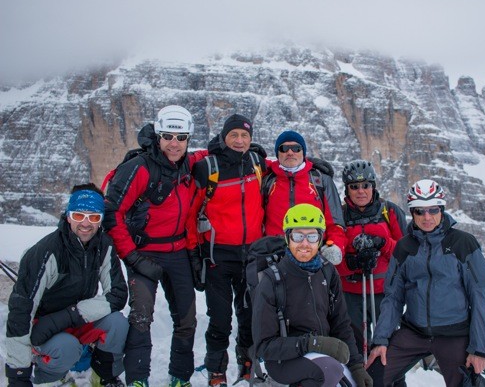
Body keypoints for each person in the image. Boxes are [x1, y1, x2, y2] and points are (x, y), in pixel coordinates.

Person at [103, 105, 207, 387]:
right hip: (144, 252)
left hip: (178, 253)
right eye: (168, 137)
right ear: (158, 136)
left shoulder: (188, 164)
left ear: (188, 139)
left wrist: (241, 151)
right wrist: (132, 257)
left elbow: (210, 152)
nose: (175, 144)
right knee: (141, 317)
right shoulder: (138, 168)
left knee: (186, 319)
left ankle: (179, 377)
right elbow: (111, 212)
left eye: (181, 138)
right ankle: (138, 379)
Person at [365, 179, 485, 387]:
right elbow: (393, 297)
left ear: (441, 209)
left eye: (433, 210)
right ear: (412, 212)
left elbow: (480, 296)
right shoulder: (405, 247)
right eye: (419, 211)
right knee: (370, 378)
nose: (427, 217)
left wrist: (479, 349)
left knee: (470, 384)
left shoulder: (463, 243)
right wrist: (380, 340)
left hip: (454, 333)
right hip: (414, 332)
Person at [5, 183, 129, 387]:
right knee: (67, 347)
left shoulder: (103, 246)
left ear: (100, 220)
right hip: (43, 328)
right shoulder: (46, 252)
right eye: (79, 215)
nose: (86, 223)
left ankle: (103, 375)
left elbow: (117, 293)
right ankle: (50, 378)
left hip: (77, 319)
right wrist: (18, 376)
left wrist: (73, 314)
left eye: (94, 217)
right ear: (69, 216)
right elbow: (21, 310)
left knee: (117, 323)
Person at [252, 204, 373, 387]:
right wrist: (312, 344)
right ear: (287, 238)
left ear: (320, 239)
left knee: (353, 382)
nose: (304, 244)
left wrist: (356, 366)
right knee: (327, 372)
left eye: (312, 236)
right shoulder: (272, 280)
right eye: (298, 236)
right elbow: (264, 347)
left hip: (321, 355)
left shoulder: (327, 272)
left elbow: (341, 324)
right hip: (283, 361)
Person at [186, 114, 267, 387]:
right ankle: (216, 372)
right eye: (234, 135)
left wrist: (312, 164)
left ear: (251, 139)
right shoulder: (208, 167)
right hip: (218, 256)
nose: (239, 140)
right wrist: (194, 254)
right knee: (219, 318)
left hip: (252, 255)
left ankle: (247, 366)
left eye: (244, 136)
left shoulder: (257, 163)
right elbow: (191, 213)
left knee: (248, 316)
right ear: (224, 137)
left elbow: (286, 164)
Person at [336, 160, 407, 354]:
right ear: (347, 189)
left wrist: (382, 243)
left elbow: (406, 252)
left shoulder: (389, 211)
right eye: (354, 186)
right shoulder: (339, 216)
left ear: (373, 186)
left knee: (389, 345)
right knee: (356, 348)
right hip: (351, 294)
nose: (361, 191)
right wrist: (352, 263)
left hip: (385, 293)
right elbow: (332, 258)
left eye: (365, 185)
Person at [262, 130, 346, 265]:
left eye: (296, 148)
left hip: (313, 255)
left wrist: (335, 246)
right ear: (277, 154)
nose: (290, 152)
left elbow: (336, 223)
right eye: (284, 148)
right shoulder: (269, 181)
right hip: (275, 257)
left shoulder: (320, 180)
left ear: (303, 152)